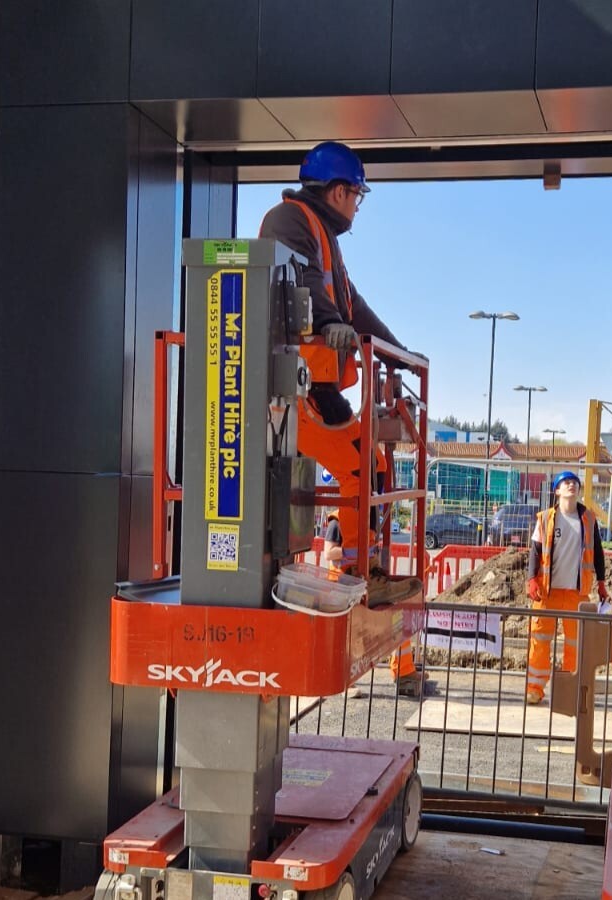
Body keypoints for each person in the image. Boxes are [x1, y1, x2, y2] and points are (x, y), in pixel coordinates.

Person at [260, 142, 423, 695]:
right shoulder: (289, 222)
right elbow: (302, 287)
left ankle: (360, 573)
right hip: (292, 390)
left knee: (374, 471)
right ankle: (355, 577)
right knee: (364, 473)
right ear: (338, 191)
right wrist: (331, 325)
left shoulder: (322, 235)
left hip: (314, 389)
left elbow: (354, 308)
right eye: (357, 195)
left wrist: (401, 352)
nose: (358, 205)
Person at [524, 471, 608, 706]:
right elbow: (535, 551)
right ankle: (535, 689)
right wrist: (531, 579)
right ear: (557, 491)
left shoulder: (588, 519)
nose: (571, 485)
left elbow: (598, 552)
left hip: (576, 592)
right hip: (546, 591)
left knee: (574, 643)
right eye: (566, 483)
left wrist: (601, 582)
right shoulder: (545, 518)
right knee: (540, 641)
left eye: (574, 483)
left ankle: (569, 689)